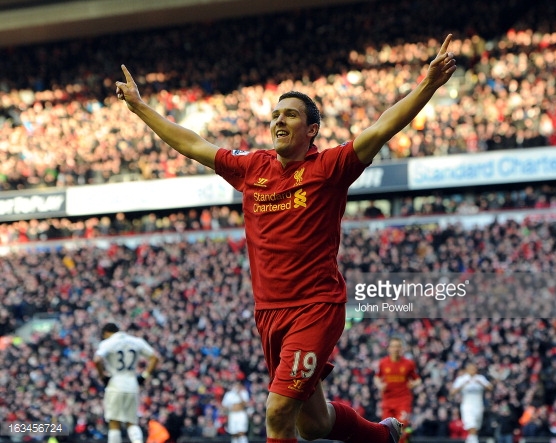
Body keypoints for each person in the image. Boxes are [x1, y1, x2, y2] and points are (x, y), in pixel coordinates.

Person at [115, 34, 456, 443]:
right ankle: (383, 437)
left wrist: (428, 84)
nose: (278, 121)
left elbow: (383, 126)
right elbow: (191, 143)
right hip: (268, 313)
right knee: (310, 425)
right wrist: (139, 107)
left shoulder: (330, 167)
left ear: (311, 130)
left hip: (315, 307)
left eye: (290, 115)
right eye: (275, 115)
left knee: (276, 412)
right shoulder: (251, 167)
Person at [94, 323, 160, 443]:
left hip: (115, 383)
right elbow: (155, 358)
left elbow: (97, 359)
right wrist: (144, 376)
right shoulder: (136, 341)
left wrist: (103, 376)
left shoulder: (107, 343)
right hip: (132, 383)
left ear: (106, 333)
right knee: (132, 422)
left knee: (114, 422)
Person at [374, 337, 421, 442]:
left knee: (400, 427)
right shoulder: (383, 363)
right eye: (393, 346)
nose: (396, 349)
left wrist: (414, 384)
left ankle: (406, 436)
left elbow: (418, 379)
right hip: (387, 401)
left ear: (402, 348)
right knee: (386, 429)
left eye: (398, 346)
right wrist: (379, 385)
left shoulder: (409, 364)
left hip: (403, 400)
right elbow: (377, 377)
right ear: (389, 349)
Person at [451, 362, 493, 443]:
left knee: (476, 426)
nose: (472, 370)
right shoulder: (462, 379)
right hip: (467, 405)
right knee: (471, 424)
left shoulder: (480, 378)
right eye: (470, 369)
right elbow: (452, 392)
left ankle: (470, 440)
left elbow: (490, 388)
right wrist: (463, 385)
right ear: (467, 370)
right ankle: (474, 441)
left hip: (478, 405)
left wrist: (481, 383)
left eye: (474, 369)